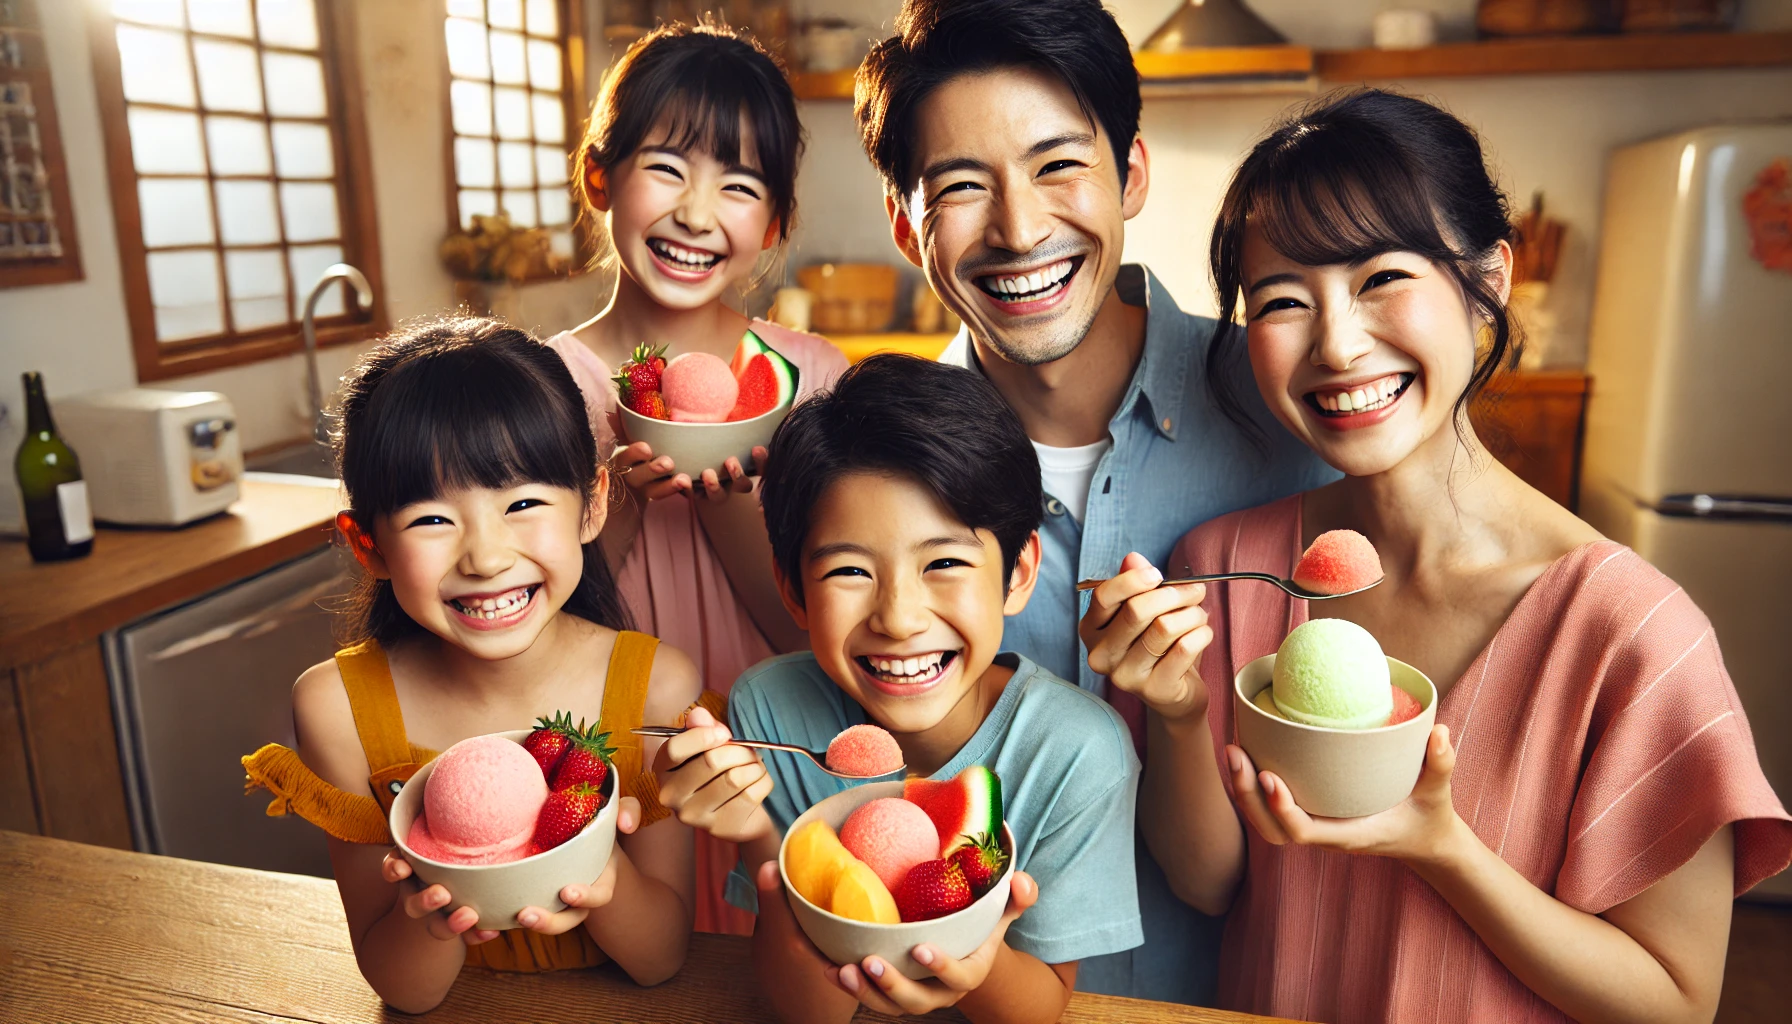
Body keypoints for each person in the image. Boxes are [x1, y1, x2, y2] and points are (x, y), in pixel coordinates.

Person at [1081, 90, 1792, 1024]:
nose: (1336, 344)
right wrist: (1178, 713)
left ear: (1488, 279)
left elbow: (1675, 1004)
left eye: (1381, 278)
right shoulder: (1226, 562)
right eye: (1284, 300)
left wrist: (1442, 847)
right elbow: (1211, 885)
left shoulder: (1633, 636)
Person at [850, 0, 1333, 1001]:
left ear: (1133, 175)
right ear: (907, 226)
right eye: (961, 187)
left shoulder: (1291, 404)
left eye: (1058, 164)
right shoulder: (867, 468)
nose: (1020, 229)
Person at [653, 355, 1144, 1023]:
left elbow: (1039, 1011)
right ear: (793, 589)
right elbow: (809, 1014)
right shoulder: (770, 711)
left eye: (943, 562)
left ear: (1019, 570)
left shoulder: (1080, 752)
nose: (898, 618)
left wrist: (970, 954)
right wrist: (757, 835)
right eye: (850, 571)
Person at [242, 319, 709, 1012]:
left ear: (593, 505)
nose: (486, 558)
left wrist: (601, 873)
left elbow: (660, 960)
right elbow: (404, 992)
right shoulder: (337, 709)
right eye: (432, 519)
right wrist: (426, 920)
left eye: (523, 503)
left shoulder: (657, 687)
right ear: (366, 545)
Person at [544, 22, 847, 934]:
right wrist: (621, 509)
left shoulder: (818, 380)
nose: (696, 212)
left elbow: (828, 627)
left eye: (741, 186)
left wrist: (731, 508)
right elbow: (530, 631)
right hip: (613, 760)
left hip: (783, 756)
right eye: (666, 168)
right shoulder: (540, 388)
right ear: (602, 177)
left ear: (777, 222)